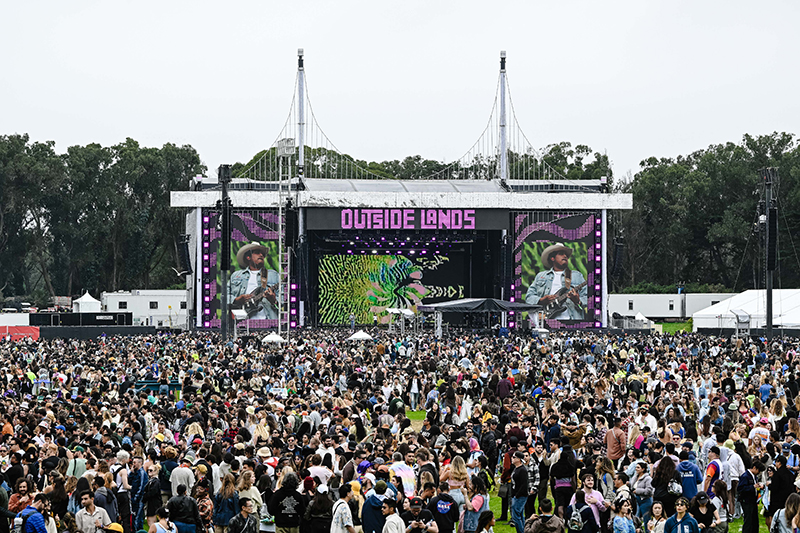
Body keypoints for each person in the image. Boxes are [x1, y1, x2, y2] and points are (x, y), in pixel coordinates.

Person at [524, 243, 587, 320]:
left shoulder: (577, 276)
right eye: (561, 254)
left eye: (566, 255)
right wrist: (541, 300)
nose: (565, 256)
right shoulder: (541, 276)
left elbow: (588, 298)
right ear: (552, 258)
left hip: (571, 322)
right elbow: (529, 297)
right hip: (545, 321)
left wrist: (578, 300)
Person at [229, 242, 279, 320]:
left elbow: (283, 301)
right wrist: (237, 300)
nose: (261, 255)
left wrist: (274, 300)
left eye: (262, 253)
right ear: (248, 257)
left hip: (267, 322)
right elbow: (224, 296)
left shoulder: (273, 275)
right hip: (242, 322)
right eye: (257, 252)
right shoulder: (236, 275)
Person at [736, 461, 765, 533]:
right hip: (746, 501)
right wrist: (752, 487)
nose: (759, 473)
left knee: (754, 521)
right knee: (748, 521)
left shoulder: (754, 476)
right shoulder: (745, 476)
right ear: (754, 468)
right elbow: (740, 489)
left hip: (753, 501)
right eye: (759, 471)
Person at [510, 451, 529, 533]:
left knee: (516, 516)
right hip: (516, 495)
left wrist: (517, 495)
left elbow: (524, 484)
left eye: (514, 457)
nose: (512, 458)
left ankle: (521, 531)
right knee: (520, 515)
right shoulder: (516, 468)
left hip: (520, 496)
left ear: (518, 459)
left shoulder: (522, 470)